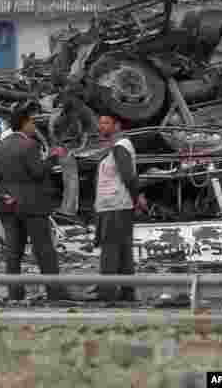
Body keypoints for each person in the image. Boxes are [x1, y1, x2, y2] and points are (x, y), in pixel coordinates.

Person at [0, 103, 70, 302]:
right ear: (24, 124)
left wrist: (5, 196)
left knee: (13, 252)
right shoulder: (30, 145)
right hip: (32, 205)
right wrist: (52, 158)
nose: (34, 126)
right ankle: (55, 293)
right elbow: (37, 172)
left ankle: (15, 293)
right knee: (43, 249)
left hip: (7, 206)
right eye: (32, 122)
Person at [93, 113, 146, 302]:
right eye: (100, 123)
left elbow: (128, 176)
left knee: (110, 250)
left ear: (117, 126)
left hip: (115, 206)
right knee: (123, 249)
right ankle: (127, 292)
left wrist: (136, 197)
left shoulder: (120, 147)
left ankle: (107, 293)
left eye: (106, 123)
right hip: (115, 205)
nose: (101, 127)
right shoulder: (114, 148)